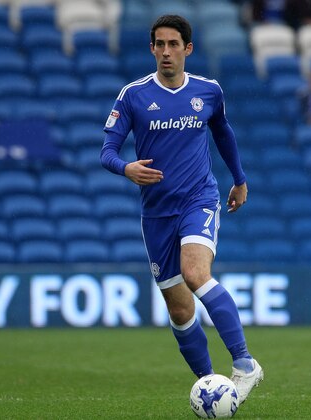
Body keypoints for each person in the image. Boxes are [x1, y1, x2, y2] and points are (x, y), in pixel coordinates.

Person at [100, 15, 263, 402]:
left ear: (188, 49)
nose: (166, 52)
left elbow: (223, 132)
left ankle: (244, 364)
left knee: (194, 273)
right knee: (178, 310)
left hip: (198, 199)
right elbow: (106, 152)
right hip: (156, 212)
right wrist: (126, 168)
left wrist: (239, 179)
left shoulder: (208, 91)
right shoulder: (133, 95)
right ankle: (212, 387)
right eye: (160, 44)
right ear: (152, 49)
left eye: (174, 44)